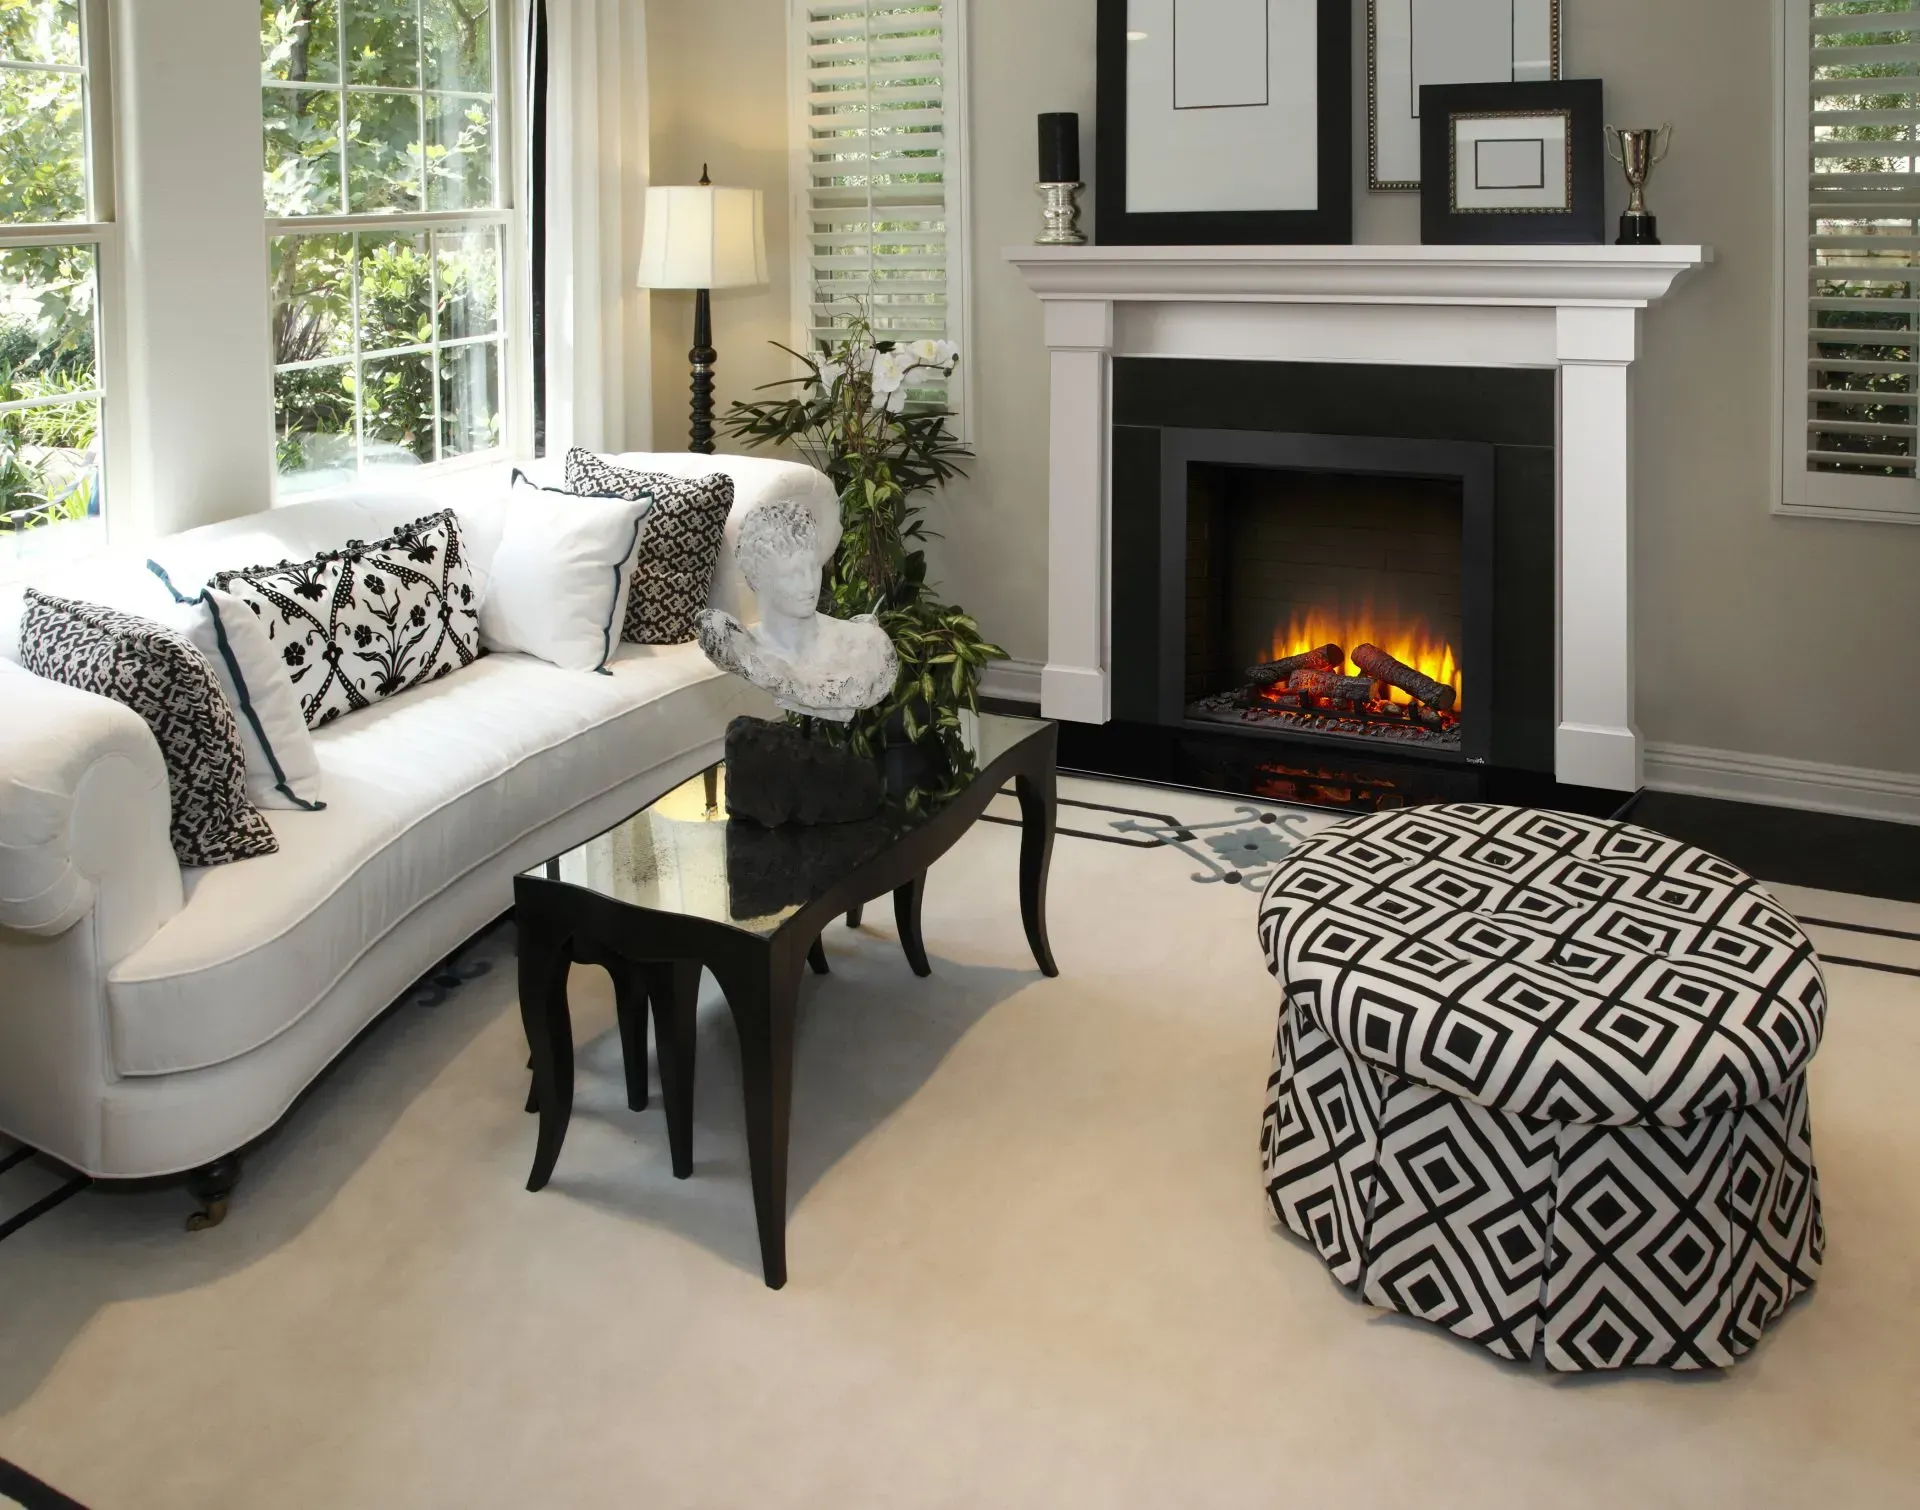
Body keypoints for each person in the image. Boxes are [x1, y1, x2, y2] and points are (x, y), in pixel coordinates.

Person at [696, 499, 898, 722]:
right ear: (757, 578)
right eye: (792, 574)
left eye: (814, 567)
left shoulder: (867, 646)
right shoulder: (745, 653)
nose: (810, 584)